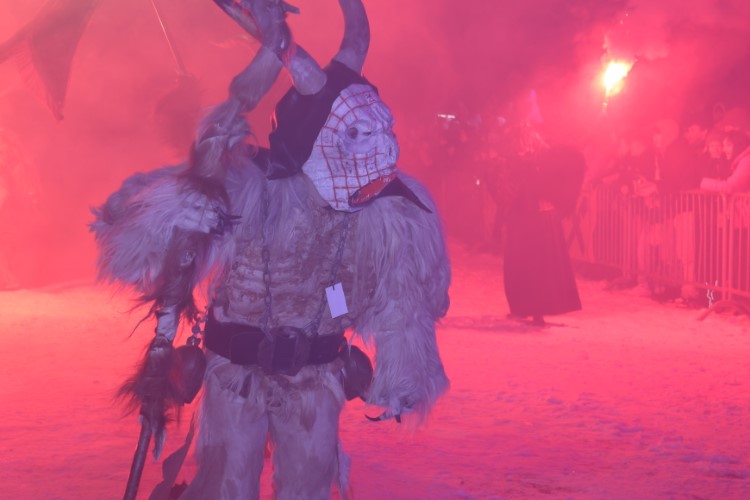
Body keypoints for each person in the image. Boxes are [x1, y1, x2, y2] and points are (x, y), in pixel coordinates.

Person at [90, 1, 450, 498]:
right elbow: (129, 229)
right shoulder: (247, 189)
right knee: (227, 484)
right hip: (236, 372)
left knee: (309, 484)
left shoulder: (384, 214)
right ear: (315, 140)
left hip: (315, 374)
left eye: (382, 132)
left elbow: (402, 296)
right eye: (358, 136)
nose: (383, 151)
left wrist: (405, 365)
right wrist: (181, 213)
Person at [502, 132, 584, 325]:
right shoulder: (527, 165)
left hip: (538, 223)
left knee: (538, 267)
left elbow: (546, 190)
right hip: (526, 221)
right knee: (522, 265)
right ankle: (522, 308)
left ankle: (537, 310)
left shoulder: (546, 164)